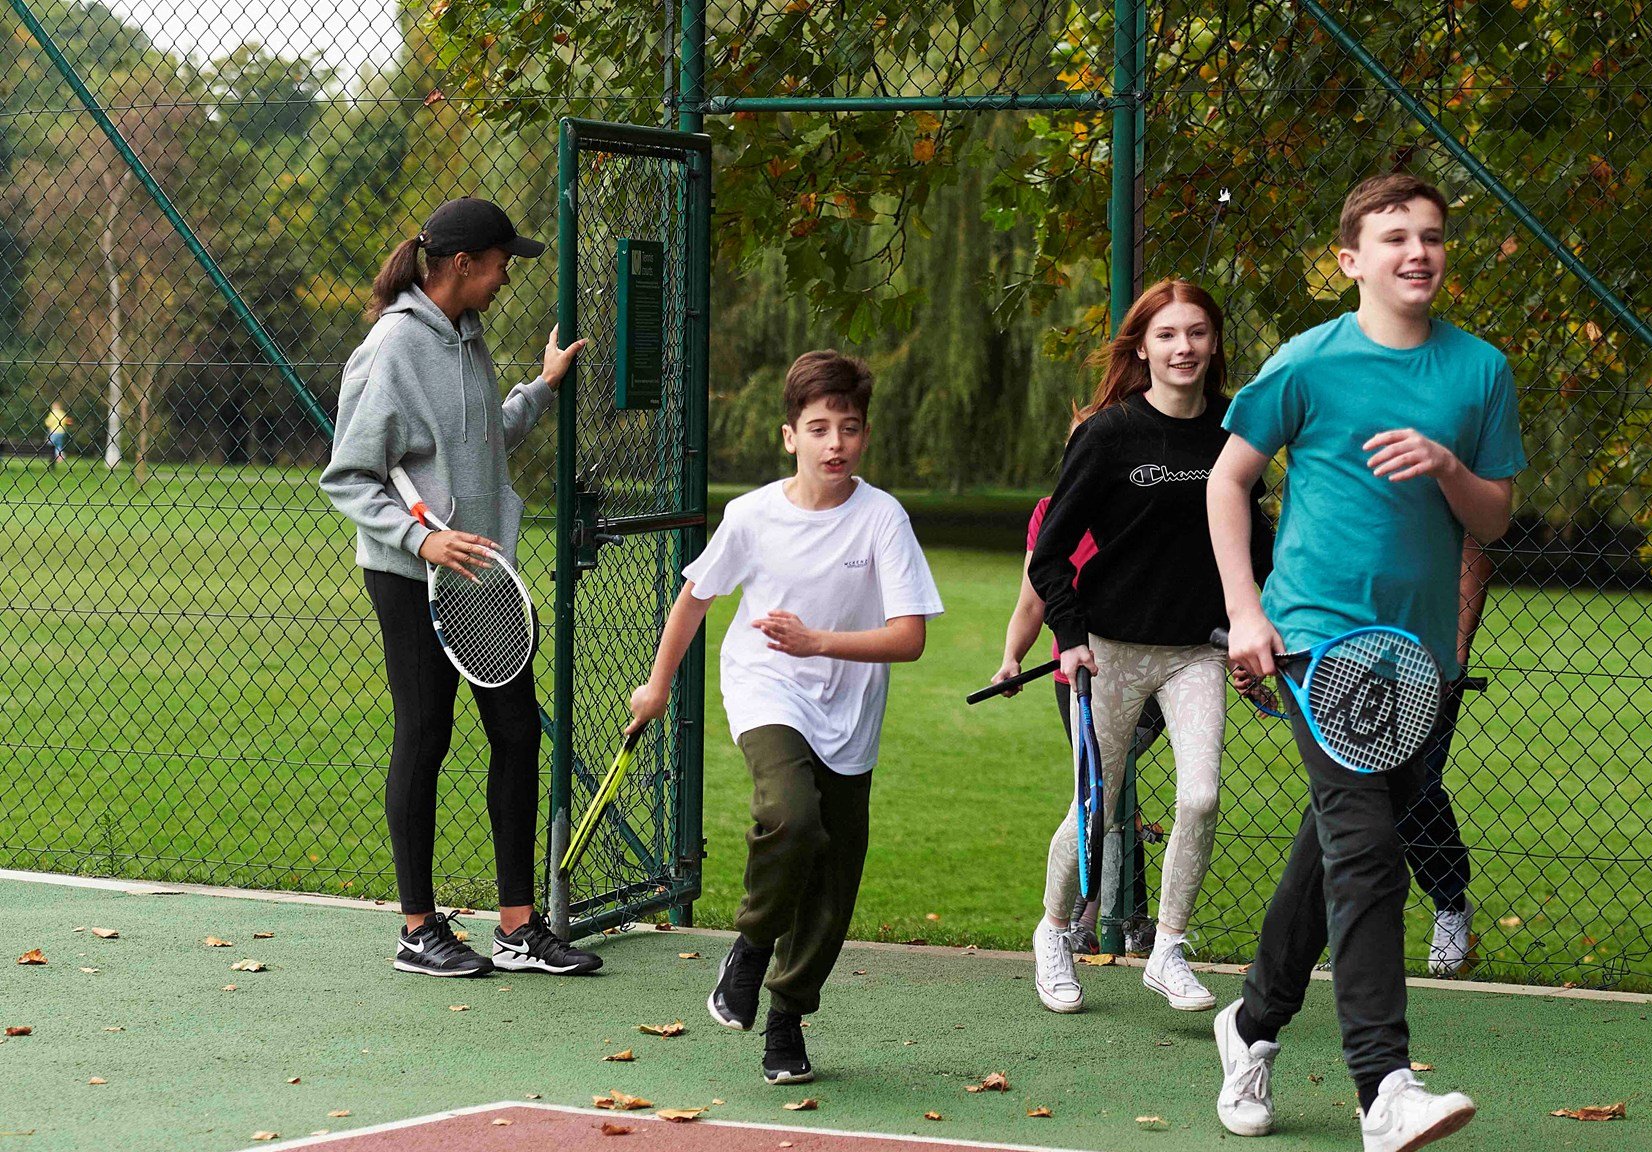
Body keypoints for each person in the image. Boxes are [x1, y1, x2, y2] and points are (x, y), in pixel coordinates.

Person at [1207, 173, 1524, 1151]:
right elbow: (1226, 480)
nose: (1417, 252)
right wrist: (1246, 613)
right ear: (1350, 260)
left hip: (1411, 658)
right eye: (1394, 238)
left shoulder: (1479, 371)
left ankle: (1251, 1022)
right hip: (1316, 641)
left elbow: (1493, 518)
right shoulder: (1309, 363)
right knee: (1368, 851)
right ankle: (1383, 1087)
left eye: (1431, 235)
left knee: (1335, 843)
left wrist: (1447, 466)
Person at [627, 351, 943, 1086]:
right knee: (791, 815)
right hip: (766, 687)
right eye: (819, 428)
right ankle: (750, 946)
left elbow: (909, 638)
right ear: (790, 436)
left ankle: (786, 1018)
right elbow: (696, 599)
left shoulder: (883, 518)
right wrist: (657, 685)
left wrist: (819, 642)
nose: (836, 443)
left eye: (850, 428)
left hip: (851, 710)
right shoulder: (752, 516)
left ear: (865, 435)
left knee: (833, 886)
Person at [322, 196, 598, 979]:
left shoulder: (468, 338)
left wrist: (540, 387)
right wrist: (424, 540)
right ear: (462, 264)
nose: (508, 276)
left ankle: (517, 928)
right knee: (426, 734)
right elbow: (348, 476)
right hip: (411, 576)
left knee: (515, 733)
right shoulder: (390, 349)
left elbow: (480, 442)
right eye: (503, 263)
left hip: (482, 575)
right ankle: (418, 930)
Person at [1027, 278, 1269, 1016]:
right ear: (1141, 348)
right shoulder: (1109, 434)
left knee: (1201, 796)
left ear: (1215, 343)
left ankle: (1167, 950)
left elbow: (1255, 544)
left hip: (1197, 651)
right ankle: (1053, 932)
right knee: (1095, 808)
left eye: (1196, 332)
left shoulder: (1235, 430)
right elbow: (1049, 556)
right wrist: (1070, 639)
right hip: (1109, 651)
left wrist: (1256, 626)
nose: (1183, 347)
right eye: (1166, 335)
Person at [992, 494, 1168, 956]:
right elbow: (1032, 601)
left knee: (1105, 779)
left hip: (1148, 670)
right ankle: (1131, 918)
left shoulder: (1141, 497)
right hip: (1076, 677)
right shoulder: (1049, 511)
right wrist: (1012, 658)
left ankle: (1089, 918)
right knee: (1105, 784)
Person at [1406, 538, 1492, 978]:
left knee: (1418, 789)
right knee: (1351, 797)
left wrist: (1457, 650)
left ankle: (1451, 902)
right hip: (1352, 649)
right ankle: (1359, 932)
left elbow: (1474, 547)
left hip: (1429, 658)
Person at [44, 401, 71, 467]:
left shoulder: (53, 413)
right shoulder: (62, 413)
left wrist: (46, 422)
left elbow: (49, 422)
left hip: (54, 431)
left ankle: (60, 456)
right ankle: (59, 455)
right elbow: (66, 421)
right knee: (59, 445)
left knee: (51, 444)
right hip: (62, 431)